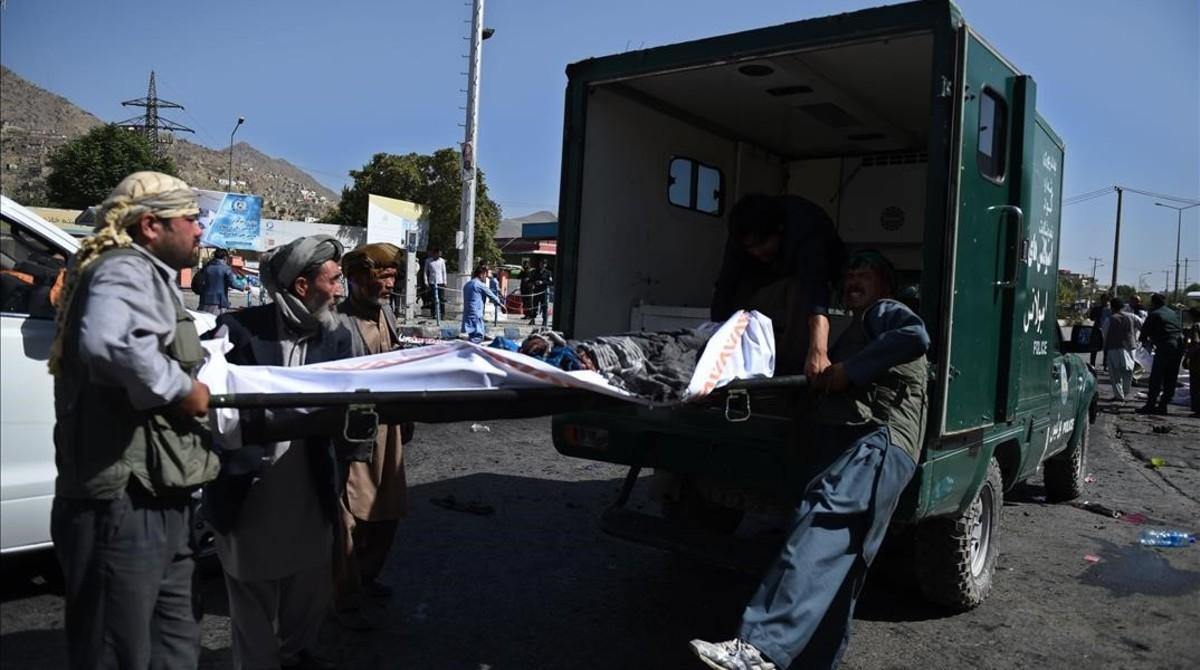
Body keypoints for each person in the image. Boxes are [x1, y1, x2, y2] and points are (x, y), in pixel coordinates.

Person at [690, 250, 929, 670]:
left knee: (822, 522)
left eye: (865, 275)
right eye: (849, 274)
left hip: (879, 440)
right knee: (838, 562)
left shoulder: (886, 311)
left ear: (884, 286)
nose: (854, 280)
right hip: (873, 447)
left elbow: (915, 337)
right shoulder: (857, 326)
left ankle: (759, 647)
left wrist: (848, 370)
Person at [47, 172, 219, 670]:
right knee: (116, 652)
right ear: (150, 225)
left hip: (159, 496)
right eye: (190, 218)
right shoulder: (123, 268)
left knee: (173, 648)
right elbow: (110, 343)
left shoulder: (143, 273)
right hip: (121, 504)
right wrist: (183, 388)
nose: (199, 230)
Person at [203, 235, 352, 670]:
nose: (340, 289)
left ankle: (297, 654)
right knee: (251, 593)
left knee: (308, 582)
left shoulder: (336, 338)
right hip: (251, 486)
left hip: (309, 484)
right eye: (334, 279)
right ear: (302, 286)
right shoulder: (239, 330)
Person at [333, 243, 412, 630]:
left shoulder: (387, 313)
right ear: (357, 278)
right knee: (348, 513)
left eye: (393, 277)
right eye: (382, 277)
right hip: (353, 430)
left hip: (389, 428)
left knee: (389, 506)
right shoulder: (336, 320)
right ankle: (344, 592)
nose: (389, 284)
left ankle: (367, 576)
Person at [710, 193, 846, 376]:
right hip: (768, 285)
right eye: (751, 248)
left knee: (798, 290)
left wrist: (818, 351)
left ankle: (787, 371)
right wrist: (713, 347)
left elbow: (816, 290)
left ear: (779, 230)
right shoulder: (741, 239)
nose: (757, 252)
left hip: (812, 282)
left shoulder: (806, 226)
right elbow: (726, 286)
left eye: (763, 244)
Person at [1137, 293, 1184, 415]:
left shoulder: (1154, 314)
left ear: (1153, 303)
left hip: (1165, 347)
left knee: (1157, 376)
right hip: (1179, 346)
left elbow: (1143, 335)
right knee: (1171, 377)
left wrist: (1147, 344)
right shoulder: (1172, 313)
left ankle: (1150, 405)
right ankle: (1163, 405)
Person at [1102, 297, 1137, 401]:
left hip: (1114, 348)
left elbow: (1105, 334)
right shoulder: (1131, 317)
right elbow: (1142, 324)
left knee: (1115, 374)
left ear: (1112, 307)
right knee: (1128, 371)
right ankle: (1125, 392)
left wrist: (1105, 349)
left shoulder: (1110, 319)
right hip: (1130, 348)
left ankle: (1119, 395)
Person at [196, 247, 246, 314]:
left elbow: (201, 282)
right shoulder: (226, 269)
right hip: (218, 303)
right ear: (225, 258)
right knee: (216, 322)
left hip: (204, 301)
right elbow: (232, 283)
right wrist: (244, 287)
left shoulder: (207, 267)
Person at [462, 264, 505, 342]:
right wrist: (501, 305)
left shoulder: (467, 284)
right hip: (476, 314)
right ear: (481, 274)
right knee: (478, 337)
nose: (486, 278)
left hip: (467, 313)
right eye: (485, 275)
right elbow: (492, 296)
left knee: (472, 335)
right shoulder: (480, 285)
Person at [527, 258, 553, 326]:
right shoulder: (536, 272)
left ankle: (544, 321)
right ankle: (533, 320)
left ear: (545, 265)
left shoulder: (548, 273)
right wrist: (531, 282)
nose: (541, 265)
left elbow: (550, 282)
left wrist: (542, 282)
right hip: (536, 291)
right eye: (541, 263)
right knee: (535, 306)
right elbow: (532, 279)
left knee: (544, 307)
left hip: (543, 292)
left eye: (543, 264)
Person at [1087, 293, 1111, 367]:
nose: (1104, 302)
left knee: (1106, 349)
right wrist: (1092, 310)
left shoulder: (1111, 310)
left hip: (1108, 331)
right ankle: (1092, 365)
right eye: (1103, 300)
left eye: (1106, 300)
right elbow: (1091, 317)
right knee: (1094, 348)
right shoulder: (1097, 308)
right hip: (1097, 329)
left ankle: (1105, 365)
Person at [424, 247, 447, 320]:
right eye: (438, 253)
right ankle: (433, 314)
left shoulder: (442, 261)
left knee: (441, 298)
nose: (439, 255)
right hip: (432, 282)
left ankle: (442, 314)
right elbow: (425, 272)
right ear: (434, 253)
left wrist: (445, 281)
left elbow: (444, 272)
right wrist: (426, 281)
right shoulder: (428, 261)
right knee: (433, 299)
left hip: (440, 282)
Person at [1185, 306, 1200, 418]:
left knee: (1196, 384)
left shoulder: (1196, 326)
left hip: (1197, 360)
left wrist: (1187, 358)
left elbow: (1195, 344)